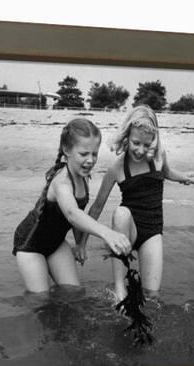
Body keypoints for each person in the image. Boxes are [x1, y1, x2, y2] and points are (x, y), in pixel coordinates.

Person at [78, 105, 194, 300]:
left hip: (152, 231)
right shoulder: (117, 168)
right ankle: (119, 289)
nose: (140, 150)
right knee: (121, 212)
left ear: (154, 141)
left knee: (152, 295)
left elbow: (168, 173)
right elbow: (97, 207)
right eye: (135, 142)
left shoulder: (158, 157)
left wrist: (191, 179)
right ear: (127, 136)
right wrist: (82, 243)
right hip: (127, 230)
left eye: (146, 145)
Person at [12, 118, 131, 293]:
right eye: (84, 154)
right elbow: (72, 214)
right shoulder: (62, 182)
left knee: (74, 294)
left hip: (56, 243)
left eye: (94, 154)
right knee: (41, 300)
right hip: (30, 245)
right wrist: (107, 234)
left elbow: (78, 217)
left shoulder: (83, 177)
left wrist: (80, 243)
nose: (90, 160)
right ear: (67, 150)